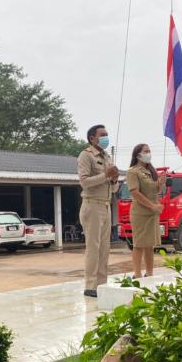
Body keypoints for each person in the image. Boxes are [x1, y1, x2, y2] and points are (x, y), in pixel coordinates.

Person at [77, 124, 119, 297]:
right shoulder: (86, 155)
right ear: (92, 138)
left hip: (106, 204)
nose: (105, 137)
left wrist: (114, 179)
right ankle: (90, 285)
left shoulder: (107, 157)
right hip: (92, 204)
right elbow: (84, 182)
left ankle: (101, 284)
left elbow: (114, 189)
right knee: (93, 247)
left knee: (105, 247)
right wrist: (106, 176)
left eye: (107, 134)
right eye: (102, 135)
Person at [126, 144, 166, 278]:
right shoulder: (133, 171)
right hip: (141, 213)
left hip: (152, 213)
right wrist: (152, 206)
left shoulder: (150, 171)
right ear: (138, 155)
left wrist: (160, 183)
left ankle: (149, 273)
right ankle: (137, 275)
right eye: (146, 151)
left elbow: (155, 191)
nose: (149, 153)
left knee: (150, 245)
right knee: (139, 244)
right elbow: (135, 192)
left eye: (149, 151)